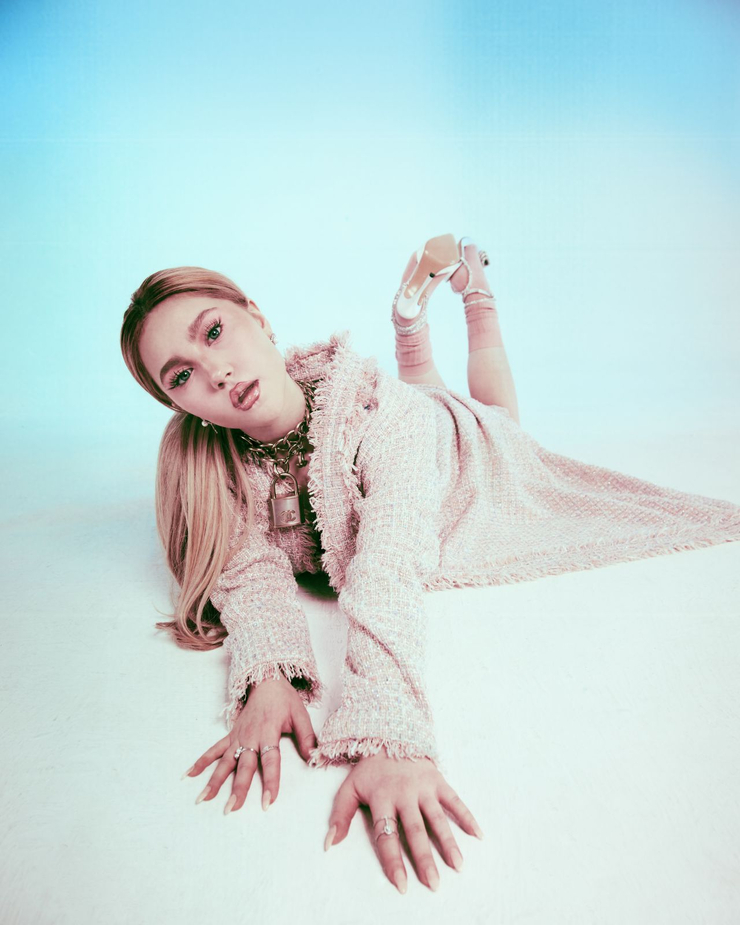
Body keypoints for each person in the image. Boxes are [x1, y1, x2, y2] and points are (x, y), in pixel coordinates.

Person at [120, 233, 740, 895]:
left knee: (501, 419)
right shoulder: (211, 468)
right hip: (408, 423)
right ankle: (411, 324)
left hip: (463, 458)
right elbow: (248, 572)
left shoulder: (381, 416)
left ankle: (476, 293)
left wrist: (389, 733)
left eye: (215, 331)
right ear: (177, 404)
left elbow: (386, 567)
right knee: (421, 392)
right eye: (181, 375)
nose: (215, 372)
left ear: (258, 316)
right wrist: (267, 674)